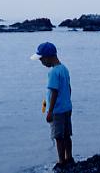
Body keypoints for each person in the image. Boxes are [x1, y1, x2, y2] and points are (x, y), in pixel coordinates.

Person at [30, 42, 74, 170]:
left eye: (41, 60)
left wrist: (49, 111)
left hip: (57, 111)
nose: (41, 63)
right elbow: (68, 88)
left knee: (58, 136)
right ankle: (69, 157)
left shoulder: (53, 72)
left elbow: (54, 91)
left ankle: (61, 161)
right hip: (66, 108)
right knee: (67, 135)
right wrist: (68, 102)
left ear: (48, 57)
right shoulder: (64, 69)